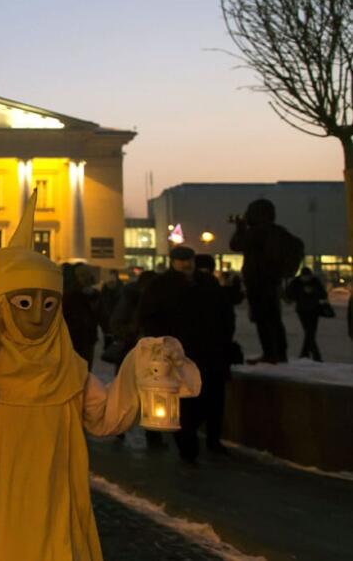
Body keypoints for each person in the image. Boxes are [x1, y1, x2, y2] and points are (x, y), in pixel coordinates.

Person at [0, 196, 199, 559]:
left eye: (48, 304)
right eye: (24, 303)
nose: (37, 316)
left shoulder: (67, 368)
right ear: (1, 305)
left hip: (53, 510)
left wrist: (142, 366)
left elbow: (106, 417)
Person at [139, 247, 232, 462]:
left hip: (211, 352)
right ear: (172, 262)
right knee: (186, 403)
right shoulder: (160, 286)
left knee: (213, 400)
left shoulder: (207, 283)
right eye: (181, 261)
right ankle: (188, 449)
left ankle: (212, 441)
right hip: (179, 353)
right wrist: (164, 344)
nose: (186, 264)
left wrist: (224, 338)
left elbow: (225, 314)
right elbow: (148, 318)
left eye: (188, 260)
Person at [230, 198, 302, 364]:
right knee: (274, 319)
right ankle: (280, 353)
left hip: (258, 281)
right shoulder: (279, 231)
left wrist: (240, 228)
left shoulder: (256, 232)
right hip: (273, 280)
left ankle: (270, 354)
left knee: (262, 319)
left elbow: (236, 245)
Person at [62, 263, 102, 368]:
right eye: (81, 275)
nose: (85, 278)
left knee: (86, 371)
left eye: (86, 274)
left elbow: (100, 315)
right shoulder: (68, 296)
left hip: (88, 339)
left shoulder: (95, 295)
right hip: (73, 340)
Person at [286, 267, 329, 361]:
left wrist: (313, 291)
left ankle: (305, 354)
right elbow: (289, 295)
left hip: (314, 310)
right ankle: (315, 356)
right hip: (303, 310)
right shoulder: (296, 282)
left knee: (310, 333)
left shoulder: (315, 281)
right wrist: (302, 292)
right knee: (309, 333)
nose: (306, 279)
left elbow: (323, 294)